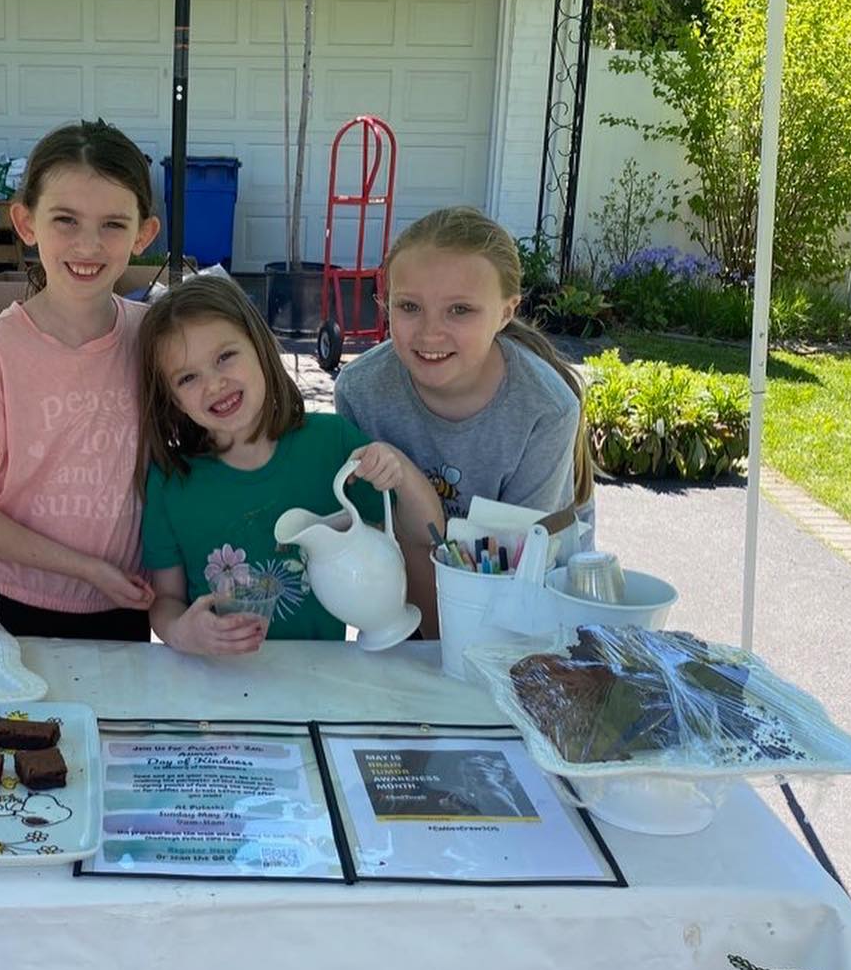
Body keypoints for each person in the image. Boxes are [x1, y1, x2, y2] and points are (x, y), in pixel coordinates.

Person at [0, 119, 159, 641]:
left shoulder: (155, 340)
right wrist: (84, 568)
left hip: (128, 606)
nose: (88, 245)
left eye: (113, 225)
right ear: (26, 222)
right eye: (66, 220)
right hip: (17, 612)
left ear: (143, 234)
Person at [138, 275, 444, 655]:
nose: (214, 384)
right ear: (173, 399)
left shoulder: (331, 444)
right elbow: (165, 601)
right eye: (187, 377)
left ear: (260, 347)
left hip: (322, 682)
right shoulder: (169, 483)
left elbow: (429, 529)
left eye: (225, 357)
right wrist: (182, 632)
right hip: (219, 685)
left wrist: (395, 466)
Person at [335, 205, 594, 532]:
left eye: (460, 310)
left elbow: (522, 558)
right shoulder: (359, 390)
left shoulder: (546, 409)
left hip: (522, 572)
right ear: (387, 303)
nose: (430, 333)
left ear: (504, 313)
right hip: (405, 569)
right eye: (409, 306)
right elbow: (365, 524)